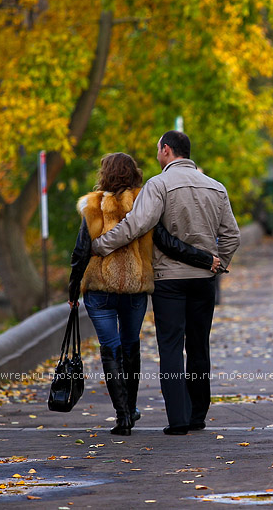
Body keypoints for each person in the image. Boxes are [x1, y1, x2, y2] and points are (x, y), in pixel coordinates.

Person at [91, 131, 240, 435]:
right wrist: (218, 264)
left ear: (167, 150)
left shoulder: (158, 185)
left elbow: (137, 224)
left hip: (169, 280)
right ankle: (198, 415)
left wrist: (103, 244)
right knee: (199, 347)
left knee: (171, 347)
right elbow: (232, 236)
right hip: (203, 281)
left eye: (158, 149)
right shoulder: (216, 187)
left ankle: (179, 420)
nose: (157, 154)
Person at [68, 152, 219, 436]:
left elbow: (80, 250)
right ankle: (132, 405)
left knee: (109, 349)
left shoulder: (93, 205)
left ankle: (123, 416)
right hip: (135, 288)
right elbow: (166, 241)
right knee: (130, 346)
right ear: (135, 173)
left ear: (104, 174)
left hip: (99, 288)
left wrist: (73, 287)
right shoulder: (145, 200)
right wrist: (204, 258)